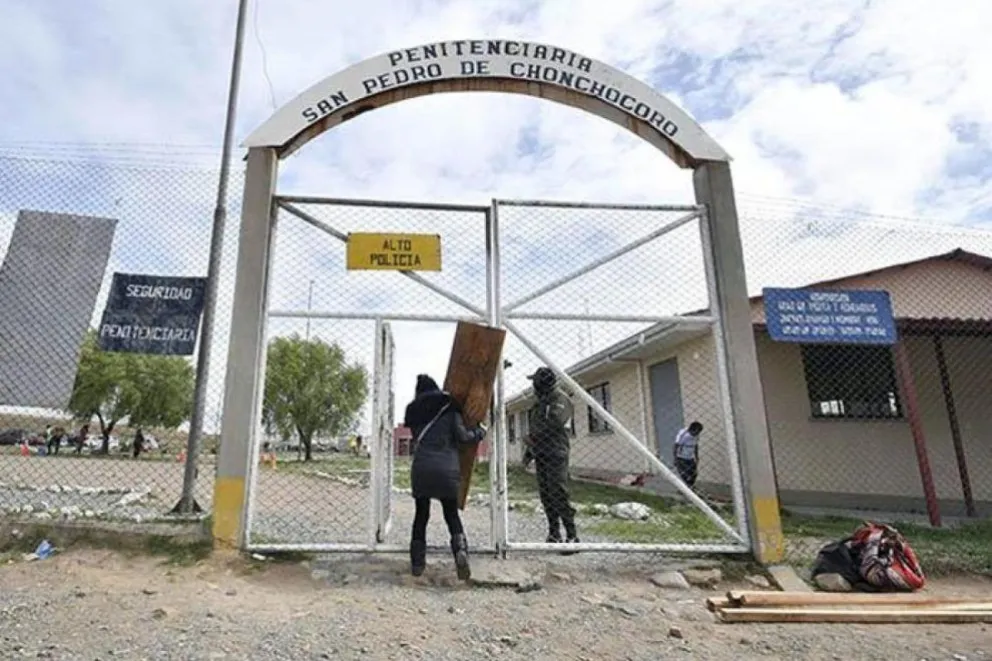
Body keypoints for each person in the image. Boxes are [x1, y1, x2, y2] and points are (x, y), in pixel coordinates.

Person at [404, 374, 487, 580]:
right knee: (451, 514)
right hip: (447, 470)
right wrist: (479, 433)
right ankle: (460, 551)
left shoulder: (413, 410)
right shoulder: (448, 406)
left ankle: (417, 563)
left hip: (422, 468)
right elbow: (463, 437)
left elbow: (415, 437)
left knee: (421, 515)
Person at [526, 366, 579, 551]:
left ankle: (572, 535)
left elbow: (555, 423)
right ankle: (554, 533)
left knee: (559, 493)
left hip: (556, 453)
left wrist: (534, 436)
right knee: (546, 494)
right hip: (541, 452)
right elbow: (534, 429)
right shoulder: (539, 403)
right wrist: (529, 451)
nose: (533, 385)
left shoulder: (560, 399)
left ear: (543, 383)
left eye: (535, 381)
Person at [673, 421, 703, 489]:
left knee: (694, 473)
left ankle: (690, 487)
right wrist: (675, 459)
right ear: (691, 430)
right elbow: (676, 446)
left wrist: (696, 456)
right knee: (685, 474)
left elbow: (695, 445)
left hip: (690, 457)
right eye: (696, 432)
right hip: (681, 457)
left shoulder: (696, 435)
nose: (697, 434)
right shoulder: (683, 435)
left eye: (699, 432)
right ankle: (686, 488)